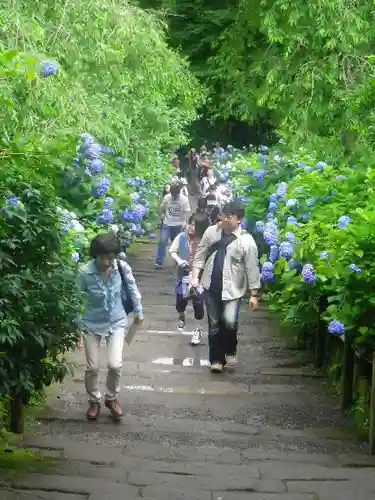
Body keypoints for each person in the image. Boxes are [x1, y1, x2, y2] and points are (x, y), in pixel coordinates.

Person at [76, 232, 143, 420]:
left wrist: (139, 312)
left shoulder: (121, 267)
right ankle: (94, 401)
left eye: (110, 257)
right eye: (102, 258)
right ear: (95, 256)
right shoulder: (84, 273)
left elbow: (132, 288)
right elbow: (76, 301)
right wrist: (76, 329)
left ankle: (111, 398)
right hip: (90, 322)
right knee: (92, 367)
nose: (107, 262)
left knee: (115, 364)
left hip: (116, 320)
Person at [191, 200, 260, 373]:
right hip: (211, 286)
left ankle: (230, 349)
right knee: (214, 324)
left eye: (229, 217)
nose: (225, 219)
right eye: (224, 215)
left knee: (229, 322)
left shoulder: (246, 241)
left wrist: (254, 294)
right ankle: (216, 359)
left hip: (233, 290)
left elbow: (252, 267)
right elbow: (200, 255)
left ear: (239, 219)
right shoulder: (211, 232)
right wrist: (194, 277)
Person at [169, 213, 210, 345]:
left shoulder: (205, 242)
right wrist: (179, 260)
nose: (191, 227)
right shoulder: (181, 237)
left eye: (195, 225)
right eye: (190, 224)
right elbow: (172, 251)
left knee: (198, 304)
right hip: (182, 277)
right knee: (180, 303)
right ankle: (182, 317)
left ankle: (197, 330)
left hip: (199, 279)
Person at [155, 183, 191, 269]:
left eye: (176, 195)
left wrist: (185, 222)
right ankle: (159, 261)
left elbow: (186, 211)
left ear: (179, 193)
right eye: (173, 195)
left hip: (178, 224)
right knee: (162, 241)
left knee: (177, 244)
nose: (174, 197)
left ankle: (178, 260)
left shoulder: (184, 199)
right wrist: (163, 215)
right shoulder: (167, 197)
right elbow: (162, 207)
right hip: (167, 223)